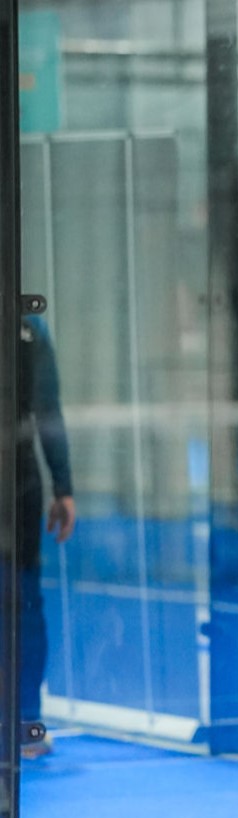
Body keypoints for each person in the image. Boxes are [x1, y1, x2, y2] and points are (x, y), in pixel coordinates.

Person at [3, 314, 76, 758]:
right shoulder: (27, 326)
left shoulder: (27, 328)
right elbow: (47, 408)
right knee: (23, 599)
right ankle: (26, 718)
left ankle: (27, 715)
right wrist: (63, 486)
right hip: (17, 481)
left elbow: (46, 409)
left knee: (23, 598)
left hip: (18, 484)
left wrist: (63, 487)